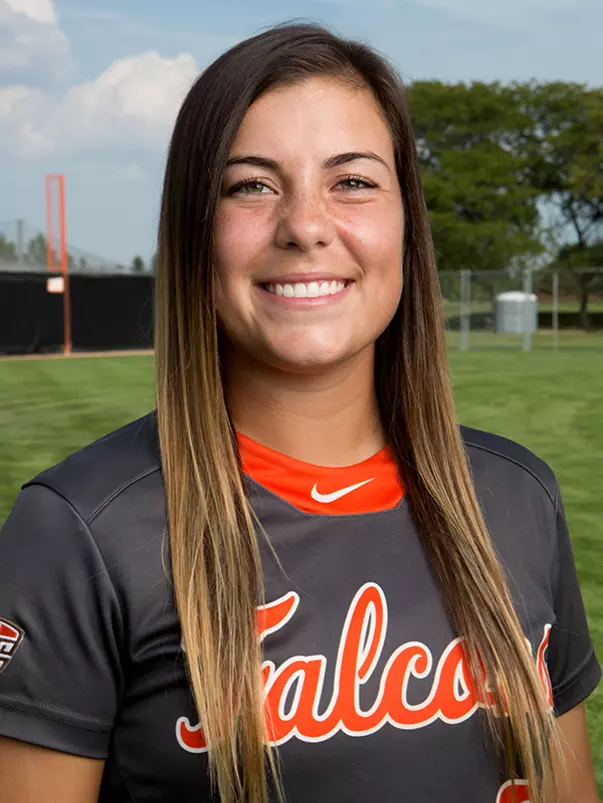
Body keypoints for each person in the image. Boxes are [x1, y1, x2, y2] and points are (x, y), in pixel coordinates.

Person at [0, 23, 599, 803]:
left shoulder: (518, 495)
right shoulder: (78, 531)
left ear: (405, 223)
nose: (305, 224)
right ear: (194, 229)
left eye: (352, 181)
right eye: (250, 184)